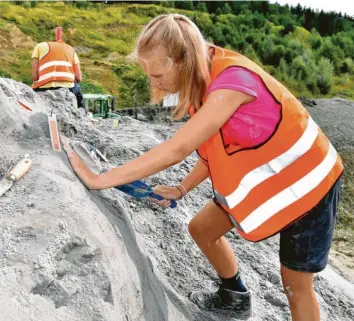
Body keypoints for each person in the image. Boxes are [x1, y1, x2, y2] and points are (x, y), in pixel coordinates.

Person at [60, 14, 343, 321]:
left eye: (156, 76)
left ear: (180, 61)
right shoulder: (202, 77)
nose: (152, 83)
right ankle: (235, 297)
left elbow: (177, 148)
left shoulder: (232, 83)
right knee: (202, 228)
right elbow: (212, 151)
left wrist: (101, 179)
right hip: (267, 173)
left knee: (295, 284)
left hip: (310, 182)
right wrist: (181, 189)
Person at [31, 27, 84, 109]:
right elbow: (79, 77)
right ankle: (83, 113)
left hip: (43, 88)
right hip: (67, 88)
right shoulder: (71, 49)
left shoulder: (39, 46)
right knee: (77, 87)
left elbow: (34, 77)